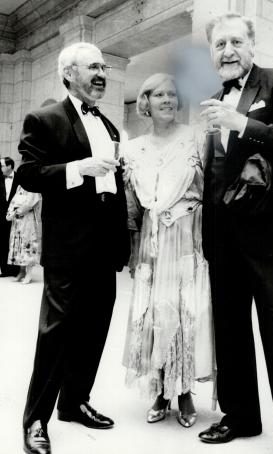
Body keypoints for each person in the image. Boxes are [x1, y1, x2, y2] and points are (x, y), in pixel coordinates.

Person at [198, 13, 273, 454]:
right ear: (211, 53)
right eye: (219, 45)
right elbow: (216, 175)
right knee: (230, 334)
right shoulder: (213, 99)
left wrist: (242, 124)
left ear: (252, 46)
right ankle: (241, 416)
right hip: (223, 242)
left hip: (268, 241)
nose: (227, 51)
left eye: (235, 42)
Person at [17, 42, 130, 454]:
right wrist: (76, 169)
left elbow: (113, 187)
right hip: (68, 248)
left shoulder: (110, 126)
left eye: (104, 67)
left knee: (95, 328)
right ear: (69, 74)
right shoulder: (44, 118)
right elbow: (29, 174)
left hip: (105, 246)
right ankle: (36, 421)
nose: (102, 74)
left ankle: (75, 402)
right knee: (56, 333)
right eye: (93, 67)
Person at [122, 73, 215, 428]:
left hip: (188, 236)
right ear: (144, 101)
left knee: (185, 309)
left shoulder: (195, 138)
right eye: (158, 94)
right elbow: (131, 204)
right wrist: (133, 249)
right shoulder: (134, 148)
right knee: (155, 313)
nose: (166, 100)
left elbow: (210, 187)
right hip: (152, 240)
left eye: (172, 94)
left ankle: (186, 390)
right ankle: (161, 390)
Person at [6, 185, 42, 284]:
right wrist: (10, 212)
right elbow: (13, 201)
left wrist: (16, 211)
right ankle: (21, 272)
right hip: (17, 222)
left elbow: (29, 204)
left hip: (28, 220)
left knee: (28, 245)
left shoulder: (33, 188)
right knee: (18, 246)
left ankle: (29, 273)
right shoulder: (20, 187)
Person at [0, 157, 20, 277]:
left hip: (16, 216)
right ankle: (4, 270)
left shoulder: (20, 178)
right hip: (1, 217)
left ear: (9, 166)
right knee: (2, 242)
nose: (0, 168)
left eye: (1, 165)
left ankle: (15, 270)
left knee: (15, 242)